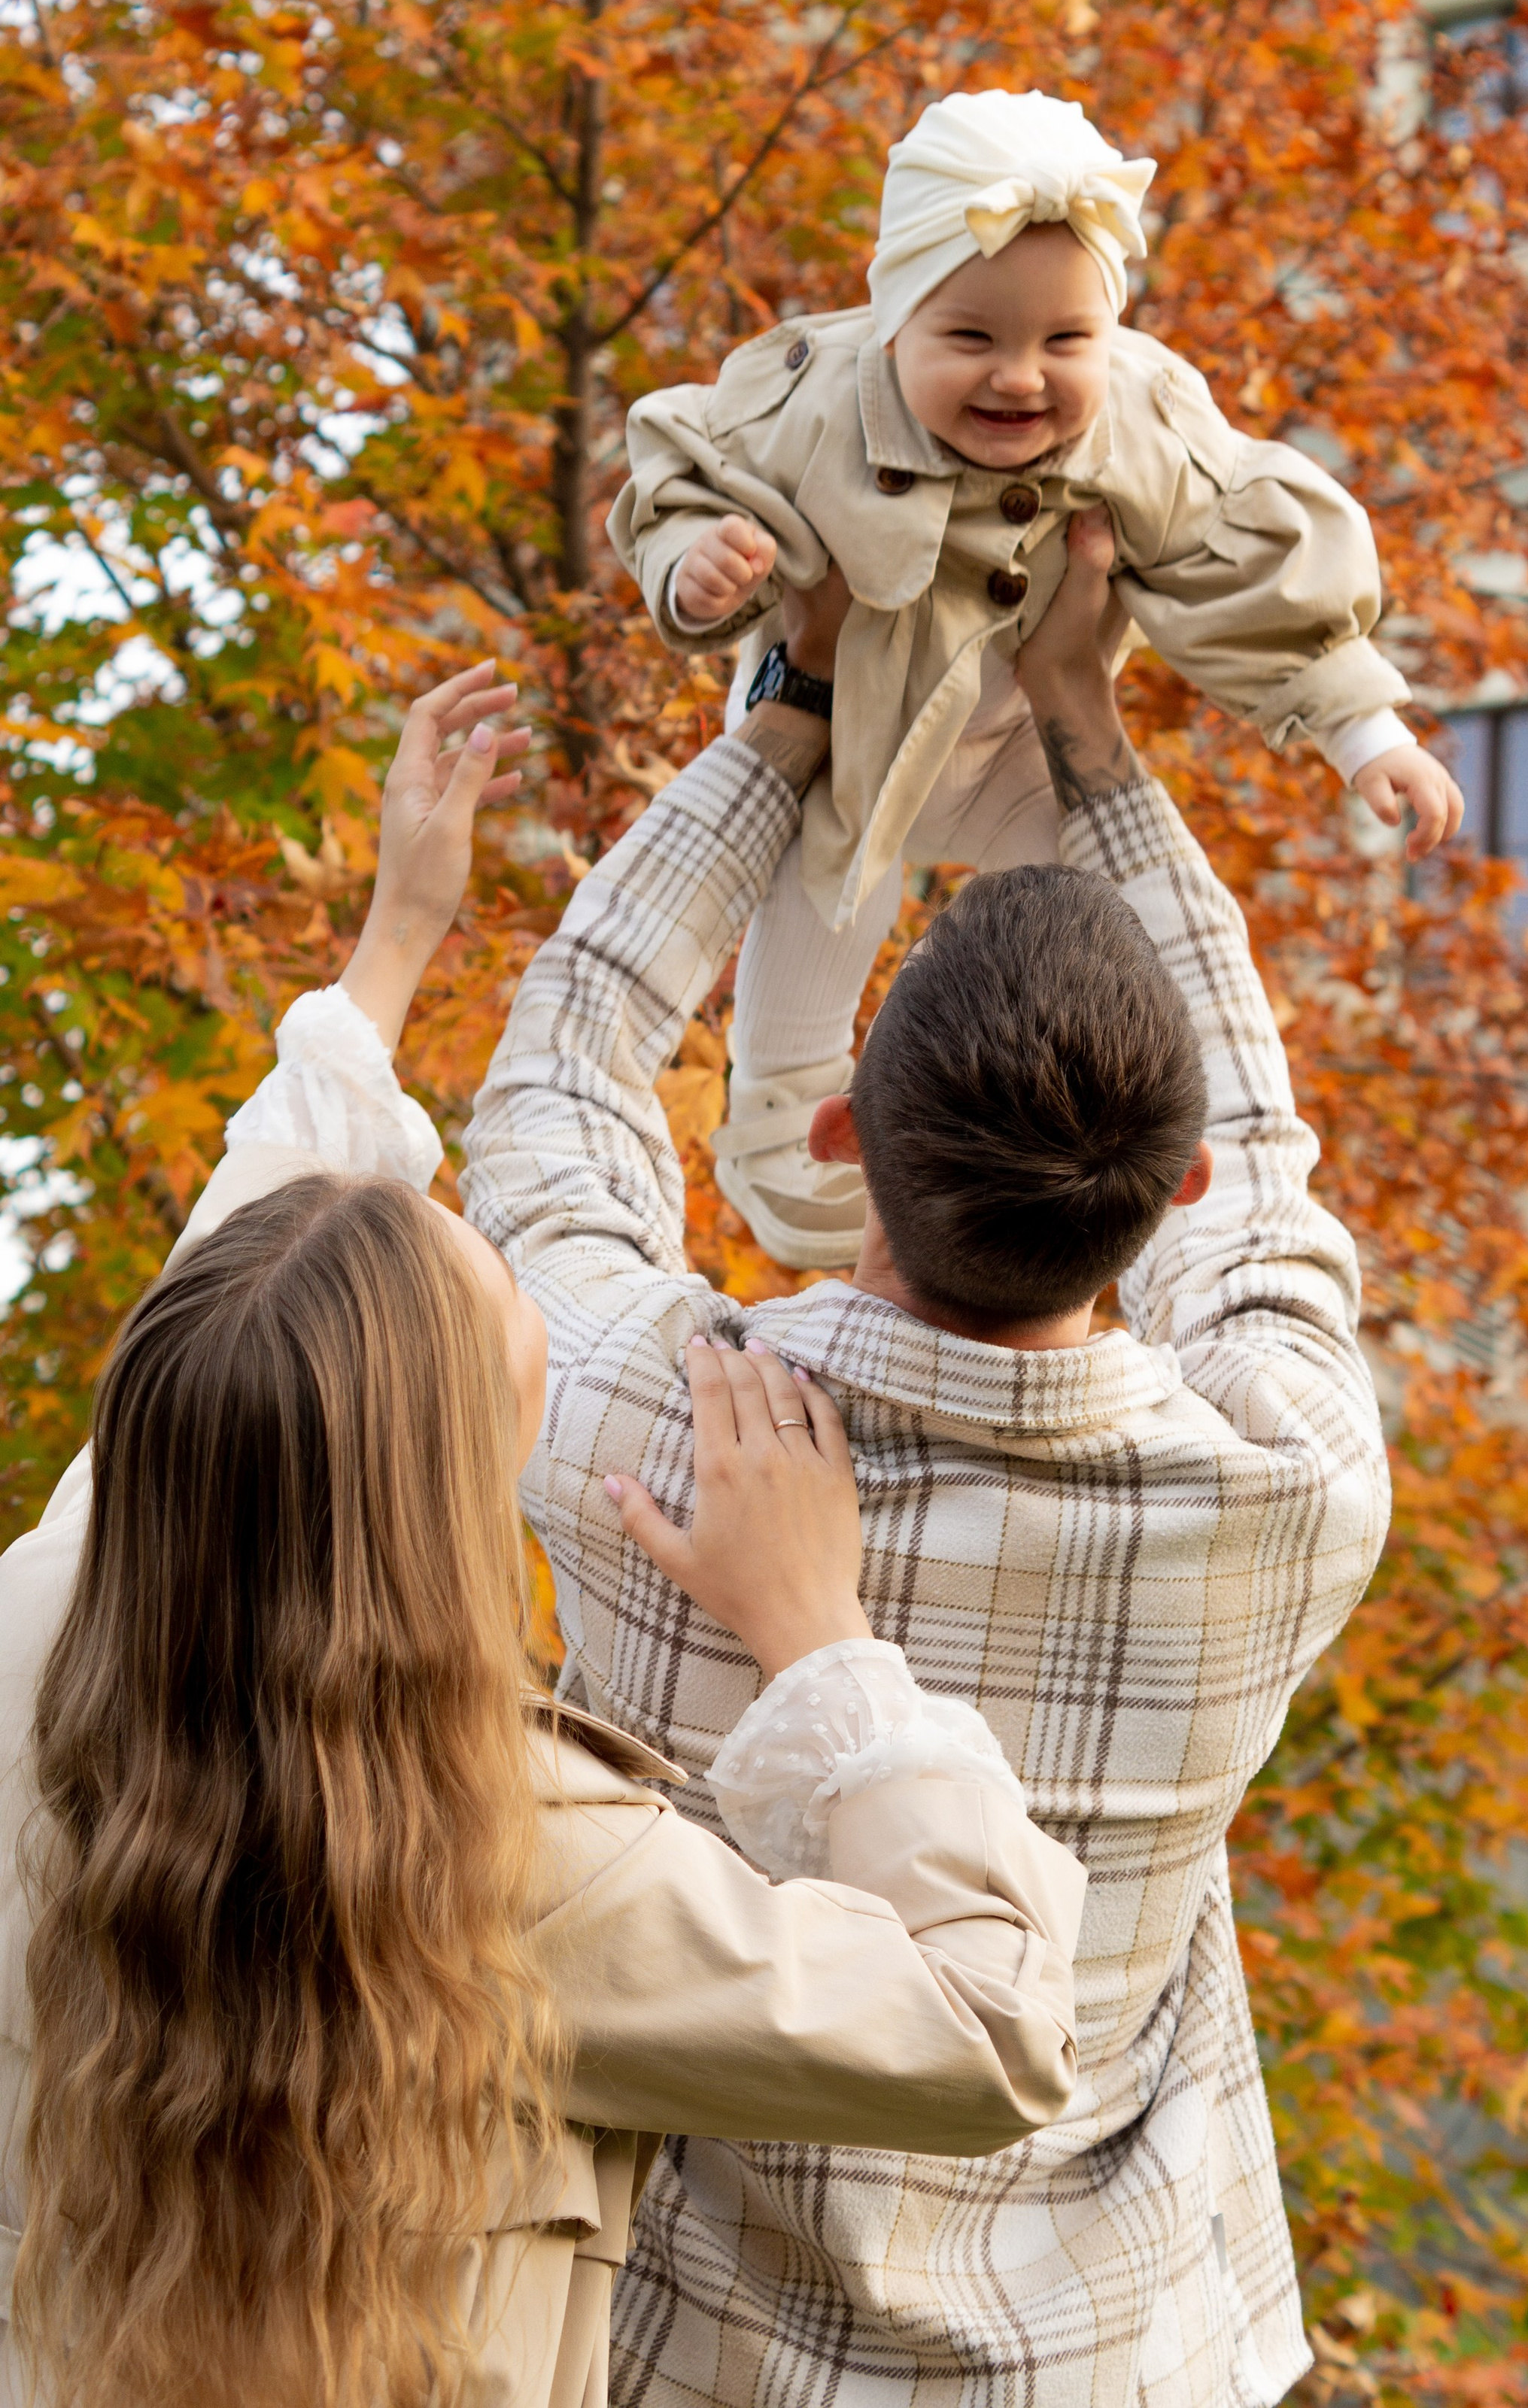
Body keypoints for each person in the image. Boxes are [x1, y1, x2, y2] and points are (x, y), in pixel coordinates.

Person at [0, 664, 1086, 2408]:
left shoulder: (55, 1600)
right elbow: (988, 2034)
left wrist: (392, 944)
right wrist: (829, 1653)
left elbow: (236, 1298)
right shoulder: (514, 1859)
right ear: (457, 1482)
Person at [464, 519, 1394, 2407]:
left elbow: (566, 1068)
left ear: (833, 1136)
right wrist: (1085, 729)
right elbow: (1269, 1155)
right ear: (1175, 1191)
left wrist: (786, 720)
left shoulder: (657, 1427)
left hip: (689, 2362)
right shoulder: (1290, 1493)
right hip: (1116, 2363)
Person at [608, 85, 1462, 1265]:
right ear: (894, 320)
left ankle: (1115, 1213)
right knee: (789, 1060)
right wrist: (698, 566)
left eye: (1066, 342)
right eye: (971, 340)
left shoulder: (1145, 419)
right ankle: (844, 1250)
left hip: (1026, 753)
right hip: (841, 757)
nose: (1021, 378)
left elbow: (1247, 561)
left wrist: (1366, 733)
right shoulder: (811, 395)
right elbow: (680, 466)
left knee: (1122, 969)